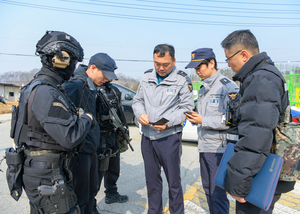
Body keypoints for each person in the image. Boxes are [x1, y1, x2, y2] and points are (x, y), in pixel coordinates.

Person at [12, 30, 95, 213]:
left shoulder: (36, 86)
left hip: (39, 169)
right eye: (73, 61)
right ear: (59, 59)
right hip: (46, 172)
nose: (74, 66)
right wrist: (86, 119)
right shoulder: (47, 92)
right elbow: (70, 137)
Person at [221, 29, 296, 214]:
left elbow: (256, 137)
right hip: (259, 167)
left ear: (244, 55)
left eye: (228, 58)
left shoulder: (260, 79)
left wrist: (239, 183)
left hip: (258, 172)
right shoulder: (264, 75)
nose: (229, 64)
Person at [132, 44, 194, 214]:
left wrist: (169, 121)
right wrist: (140, 113)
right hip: (148, 137)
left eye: (165, 64)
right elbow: (137, 101)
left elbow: (187, 107)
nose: (160, 68)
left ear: (174, 60)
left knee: (173, 182)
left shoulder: (182, 79)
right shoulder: (146, 77)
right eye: (157, 64)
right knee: (152, 181)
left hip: (169, 137)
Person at [185, 48, 239, 214]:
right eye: (195, 69)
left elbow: (231, 120)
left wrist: (203, 120)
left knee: (218, 193)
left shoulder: (227, 87)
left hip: (218, 150)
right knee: (208, 189)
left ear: (212, 63)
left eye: (199, 68)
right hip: (204, 147)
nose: (197, 72)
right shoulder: (203, 89)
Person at [63, 52, 118, 213]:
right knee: (79, 194)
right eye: (105, 75)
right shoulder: (75, 85)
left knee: (91, 189)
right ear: (92, 67)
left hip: (91, 148)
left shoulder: (91, 85)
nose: (107, 79)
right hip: (79, 151)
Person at [96, 80, 129, 204]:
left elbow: (120, 111)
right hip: (98, 136)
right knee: (98, 171)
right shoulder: (91, 90)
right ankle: (90, 203)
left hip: (113, 134)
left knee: (114, 167)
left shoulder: (114, 90)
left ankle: (111, 193)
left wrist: (123, 129)